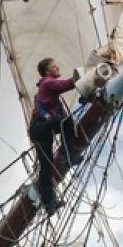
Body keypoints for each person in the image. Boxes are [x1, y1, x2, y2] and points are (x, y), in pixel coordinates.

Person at [29, 57, 80, 212]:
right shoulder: (47, 83)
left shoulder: (54, 98)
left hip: (41, 131)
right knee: (66, 122)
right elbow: (68, 84)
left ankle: (49, 203)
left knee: (46, 167)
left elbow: (60, 121)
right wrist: (86, 75)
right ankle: (68, 156)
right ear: (47, 71)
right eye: (53, 66)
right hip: (40, 127)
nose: (57, 67)